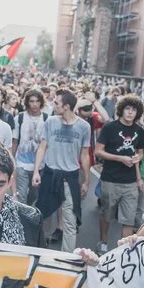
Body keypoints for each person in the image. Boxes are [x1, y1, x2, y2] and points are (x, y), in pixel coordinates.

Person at [32, 89, 91, 253]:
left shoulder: (84, 127)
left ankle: (67, 260)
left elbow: (85, 154)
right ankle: (41, 252)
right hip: (50, 175)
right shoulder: (50, 122)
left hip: (70, 178)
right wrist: (36, 171)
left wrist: (86, 180)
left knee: (70, 220)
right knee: (43, 216)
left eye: (56, 103)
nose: (53, 105)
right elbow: (42, 147)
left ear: (66, 106)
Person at [94, 95, 144, 255]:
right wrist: (120, 158)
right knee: (107, 214)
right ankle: (103, 241)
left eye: (134, 110)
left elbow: (141, 153)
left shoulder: (139, 131)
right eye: (127, 109)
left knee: (128, 219)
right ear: (121, 110)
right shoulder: (110, 128)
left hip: (130, 182)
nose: (130, 112)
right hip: (110, 180)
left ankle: (123, 251)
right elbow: (98, 152)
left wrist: (138, 160)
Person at [12, 89, 48, 205]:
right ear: (27, 102)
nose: (34, 104)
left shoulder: (47, 119)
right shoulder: (20, 118)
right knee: (21, 194)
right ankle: (22, 219)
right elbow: (15, 141)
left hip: (40, 164)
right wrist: (11, 160)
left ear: (41, 103)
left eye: (37, 101)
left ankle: (29, 210)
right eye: (31, 101)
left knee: (35, 194)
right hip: (21, 163)